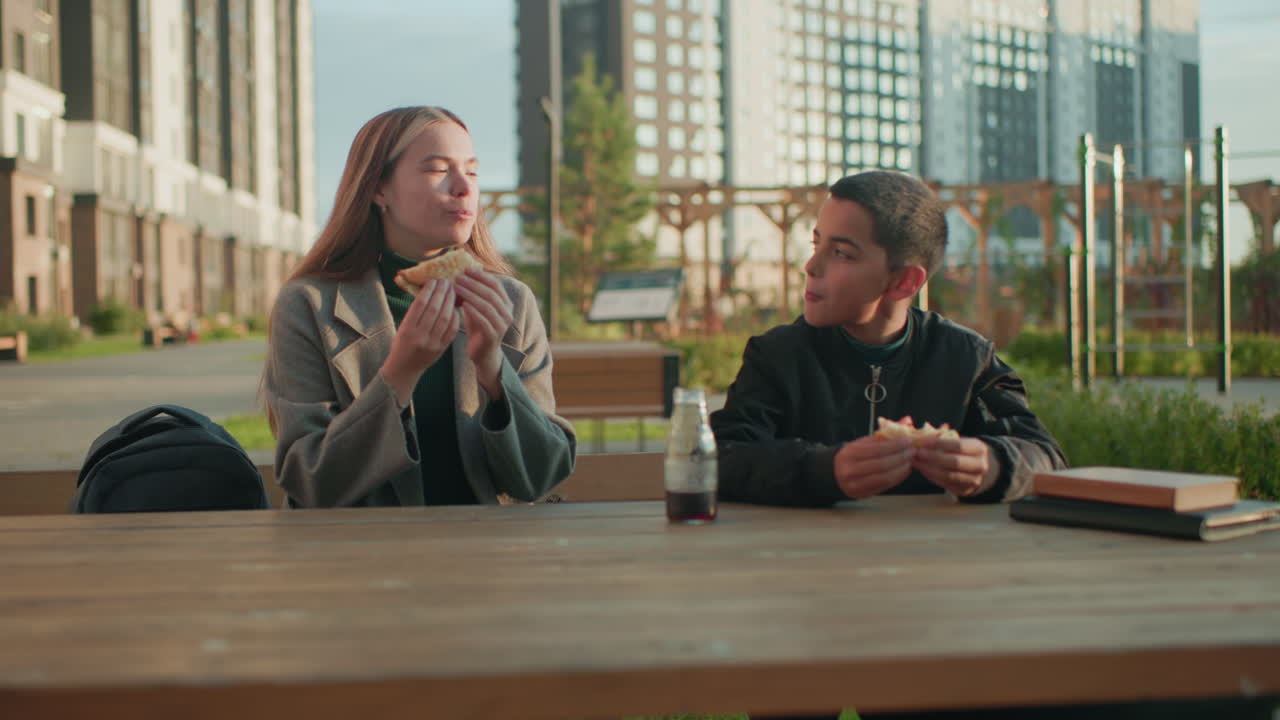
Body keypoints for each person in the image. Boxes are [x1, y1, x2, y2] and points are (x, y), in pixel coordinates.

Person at [261, 106, 575, 508]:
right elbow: (311, 482)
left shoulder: (511, 302)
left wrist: (494, 372)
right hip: (357, 560)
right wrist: (400, 374)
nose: (464, 187)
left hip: (488, 558)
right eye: (438, 170)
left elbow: (540, 477)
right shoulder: (308, 304)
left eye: (473, 171)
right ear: (378, 188)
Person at [711, 170, 1066, 510]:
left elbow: (1045, 457)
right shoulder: (778, 355)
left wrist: (993, 465)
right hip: (808, 560)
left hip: (936, 560)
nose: (811, 265)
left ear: (904, 283)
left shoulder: (967, 360)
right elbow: (720, 458)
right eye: (816, 243)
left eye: (840, 253)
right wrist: (824, 470)